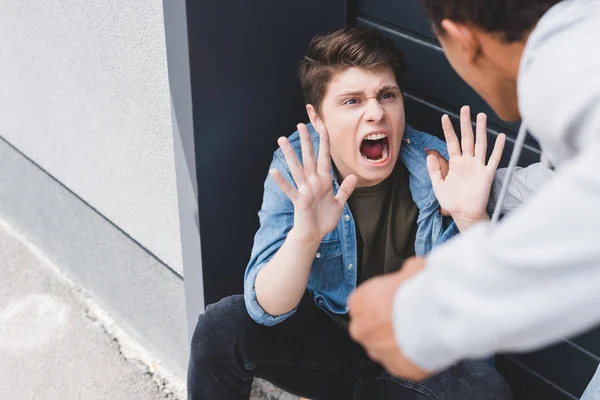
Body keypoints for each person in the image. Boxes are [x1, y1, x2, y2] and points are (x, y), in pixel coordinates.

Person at [186, 26, 514, 399]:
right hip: (328, 350)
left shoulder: (441, 171)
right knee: (221, 326)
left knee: (484, 390)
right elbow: (265, 309)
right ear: (318, 118)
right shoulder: (298, 168)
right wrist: (305, 238)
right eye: (352, 101)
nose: (376, 112)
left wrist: (472, 219)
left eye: (386, 95)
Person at [347, 1, 600, 396]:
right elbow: (572, 186)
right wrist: (480, 195)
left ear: (463, 40)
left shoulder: (568, 71)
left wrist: (425, 310)